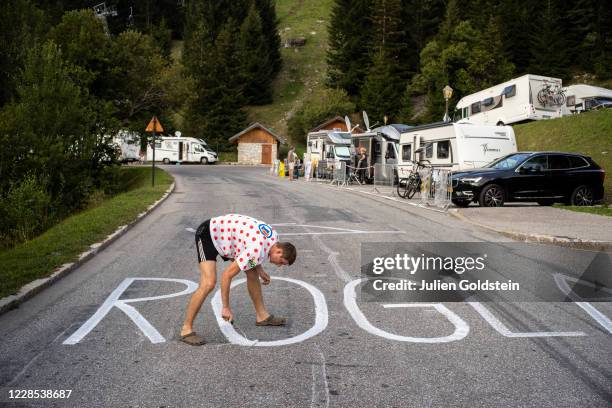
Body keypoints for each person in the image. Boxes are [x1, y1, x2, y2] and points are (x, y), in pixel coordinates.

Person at [180, 213, 297, 346]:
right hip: (209, 235)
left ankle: (262, 316)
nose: (279, 265)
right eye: (281, 262)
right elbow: (227, 275)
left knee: (252, 273)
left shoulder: (274, 238)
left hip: (228, 239)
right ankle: (186, 329)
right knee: (209, 283)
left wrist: (260, 270)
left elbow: (253, 256)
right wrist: (226, 307)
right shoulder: (257, 249)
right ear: (279, 252)